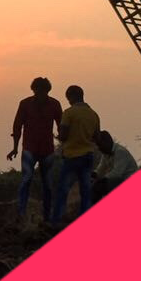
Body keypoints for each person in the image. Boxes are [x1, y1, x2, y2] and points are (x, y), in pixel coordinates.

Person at [7, 77, 63, 221]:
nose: (39, 94)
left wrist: (64, 146)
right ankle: (22, 213)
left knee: (47, 184)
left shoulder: (54, 105)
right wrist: (15, 148)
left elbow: (61, 127)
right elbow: (17, 126)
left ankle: (47, 217)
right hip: (29, 148)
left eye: (41, 91)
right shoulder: (25, 104)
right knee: (26, 180)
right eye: (37, 91)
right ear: (33, 90)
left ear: (47, 91)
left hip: (47, 150)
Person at [51, 85, 101, 227]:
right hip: (88, 155)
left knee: (63, 189)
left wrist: (59, 136)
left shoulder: (69, 113)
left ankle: (57, 220)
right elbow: (97, 137)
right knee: (85, 190)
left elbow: (63, 135)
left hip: (72, 156)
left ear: (71, 97)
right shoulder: (93, 114)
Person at [91, 133, 138, 201]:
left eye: (100, 145)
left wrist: (102, 180)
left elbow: (117, 173)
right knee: (96, 186)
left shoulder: (120, 152)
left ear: (107, 142)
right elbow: (101, 167)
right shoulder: (106, 153)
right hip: (119, 180)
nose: (98, 148)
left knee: (99, 186)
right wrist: (94, 174)